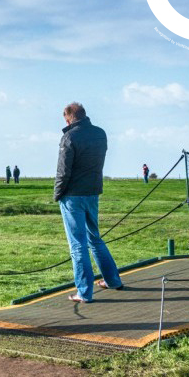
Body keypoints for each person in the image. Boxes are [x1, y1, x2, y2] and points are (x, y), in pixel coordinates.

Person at [54, 102, 122, 303]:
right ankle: (113, 280)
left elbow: (63, 171)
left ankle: (84, 292)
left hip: (72, 195)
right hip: (92, 192)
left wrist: (58, 193)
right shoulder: (100, 133)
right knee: (95, 238)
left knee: (77, 245)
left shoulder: (69, 137)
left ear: (68, 118)